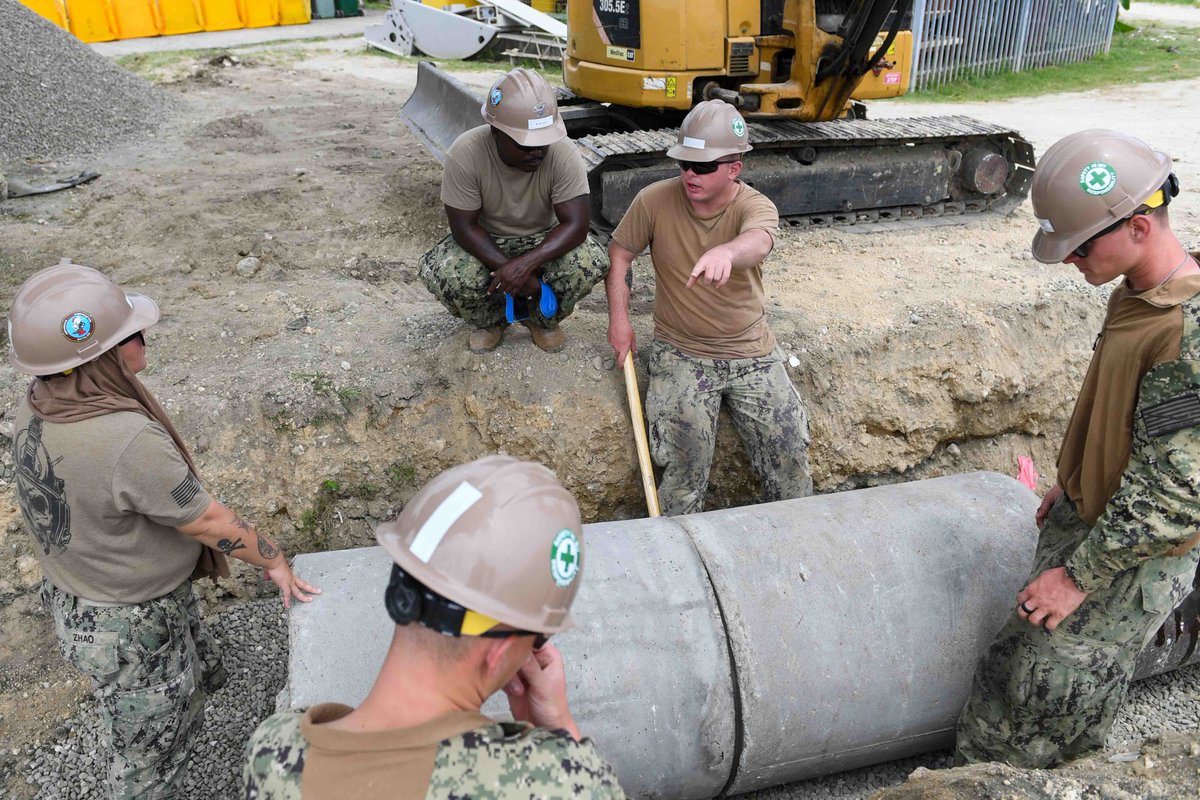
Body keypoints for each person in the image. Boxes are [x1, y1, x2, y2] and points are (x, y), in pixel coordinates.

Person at [7, 262, 320, 798]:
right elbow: (206, 521)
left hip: (83, 586)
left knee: (181, 668)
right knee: (151, 749)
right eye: (133, 334)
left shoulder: (41, 401)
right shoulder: (124, 439)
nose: (144, 340)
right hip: (128, 621)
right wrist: (272, 558)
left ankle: (199, 676)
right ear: (101, 356)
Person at [956, 130, 1200, 767]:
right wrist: (1078, 475)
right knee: (1011, 676)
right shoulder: (1139, 296)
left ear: (1140, 226)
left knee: (1046, 712)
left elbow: (1179, 494)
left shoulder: (1185, 331)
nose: (1069, 259)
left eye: (1080, 244)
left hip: (1127, 560)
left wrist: (1077, 578)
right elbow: (1129, 417)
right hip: (1096, 522)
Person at [242, 455, 624, 798]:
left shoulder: (274, 752)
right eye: (538, 638)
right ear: (500, 652)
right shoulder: (556, 783)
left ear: (399, 592)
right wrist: (558, 734)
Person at [604, 99, 813, 517]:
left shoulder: (754, 206)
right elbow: (620, 256)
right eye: (684, 164)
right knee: (683, 468)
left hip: (751, 353)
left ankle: (795, 542)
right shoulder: (654, 201)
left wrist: (728, 253)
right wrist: (620, 321)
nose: (689, 174)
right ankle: (681, 561)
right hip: (681, 352)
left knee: (789, 460)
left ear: (734, 168)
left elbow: (759, 241)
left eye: (702, 167)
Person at [418, 68, 607, 353]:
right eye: (525, 144)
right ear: (496, 131)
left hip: (544, 238)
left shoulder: (562, 153)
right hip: (488, 240)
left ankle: (542, 320)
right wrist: (513, 272)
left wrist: (525, 266)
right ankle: (492, 321)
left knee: (589, 262)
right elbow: (464, 228)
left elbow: (576, 225)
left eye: (543, 141)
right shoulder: (466, 153)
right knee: (448, 273)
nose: (537, 151)